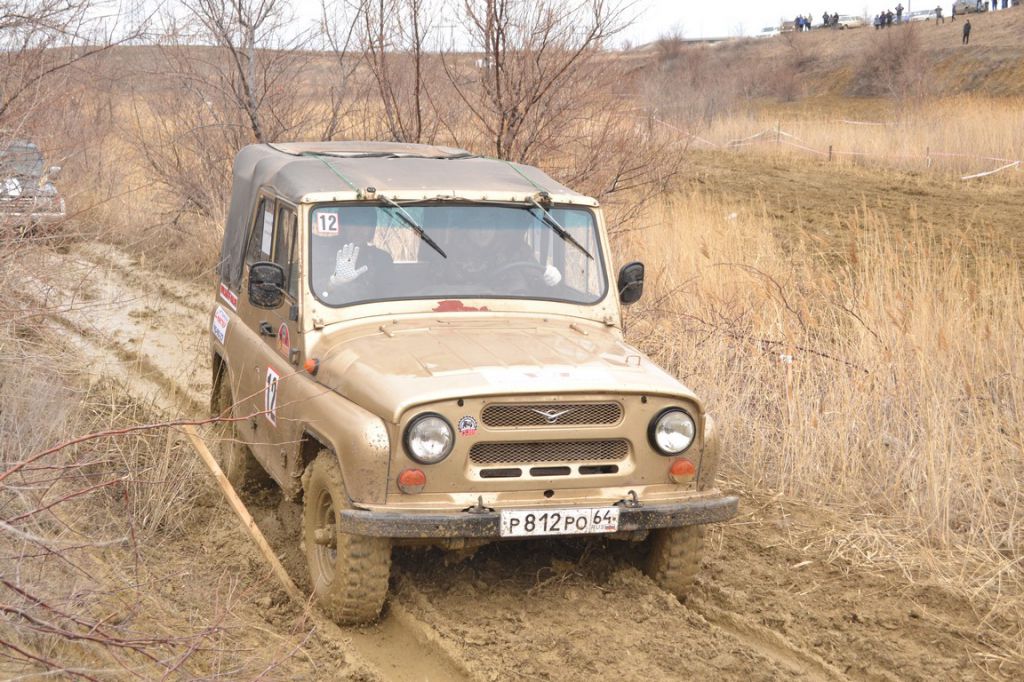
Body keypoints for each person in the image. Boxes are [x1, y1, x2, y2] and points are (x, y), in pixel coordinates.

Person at [313, 207, 394, 301]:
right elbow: (319, 297)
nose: (359, 230)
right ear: (342, 227)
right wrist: (333, 283)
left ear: (372, 229)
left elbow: (388, 298)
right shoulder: (322, 253)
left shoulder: (381, 259)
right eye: (353, 223)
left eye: (365, 224)